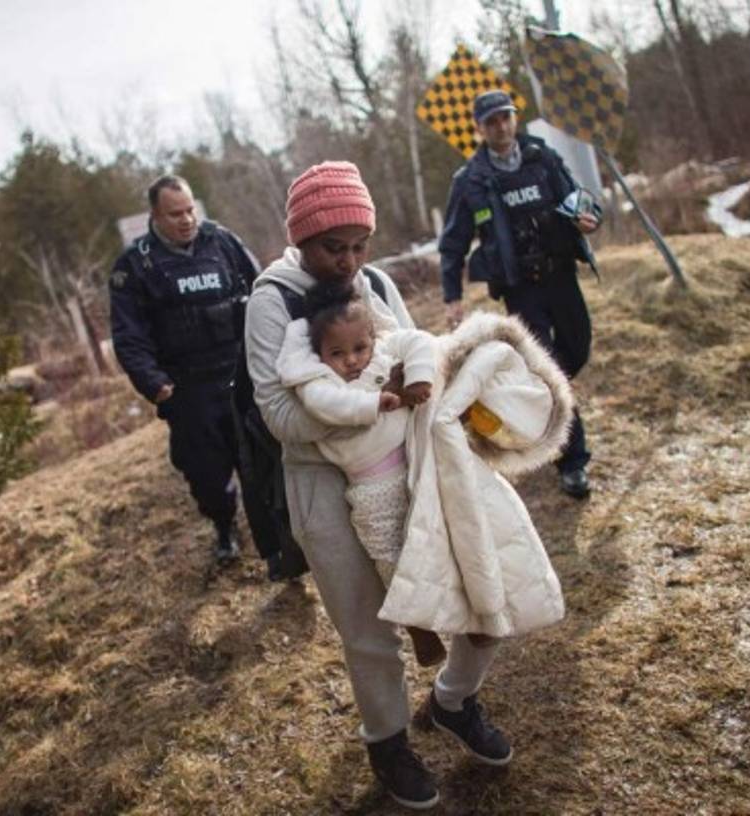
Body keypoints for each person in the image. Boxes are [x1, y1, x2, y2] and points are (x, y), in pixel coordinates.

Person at [246, 161, 569, 810]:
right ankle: (387, 741)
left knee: (473, 582)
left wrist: (450, 381)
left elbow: (412, 351)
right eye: (333, 247)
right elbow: (278, 414)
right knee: (369, 627)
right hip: (322, 480)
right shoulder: (271, 300)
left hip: (408, 462)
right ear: (301, 239)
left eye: (359, 245)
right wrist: (369, 407)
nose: (348, 261)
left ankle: (453, 700)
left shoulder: (374, 283)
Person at [438, 89, 602, 499]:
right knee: (551, 368)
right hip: (520, 289)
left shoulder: (542, 158)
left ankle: (533, 398)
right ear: (479, 128)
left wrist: (588, 219)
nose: (501, 126)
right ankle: (573, 462)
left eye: (506, 117)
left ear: (514, 118)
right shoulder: (470, 181)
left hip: (561, 276)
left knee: (577, 348)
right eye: (491, 121)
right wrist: (451, 296)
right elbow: (453, 243)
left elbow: (577, 200)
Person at [276, 280, 447, 668]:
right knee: (388, 553)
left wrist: (419, 378)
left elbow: (420, 341)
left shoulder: (383, 351)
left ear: (372, 339)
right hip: (370, 483)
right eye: (337, 353)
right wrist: (372, 403)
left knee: (436, 534)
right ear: (320, 354)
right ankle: (420, 628)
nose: (352, 361)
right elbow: (325, 404)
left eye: (359, 348)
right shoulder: (320, 380)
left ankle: (458, 605)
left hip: (417, 462)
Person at [108, 175, 258, 565]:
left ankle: (276, 539)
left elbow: (261, 293)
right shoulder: (135, 265)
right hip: (188, 390)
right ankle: (224, 526)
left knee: (259, 461)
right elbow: (128, 336)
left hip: (240, 375)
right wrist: (155, 385)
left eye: (191, 210)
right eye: (176, 214)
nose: (187, 219)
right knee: (206, 474)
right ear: (155, 215)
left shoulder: (222, 242)